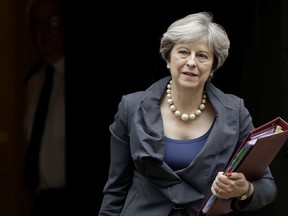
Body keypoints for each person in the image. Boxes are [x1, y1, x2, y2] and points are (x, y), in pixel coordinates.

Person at [98, 12, 277, 216]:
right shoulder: (131, 107)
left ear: (212, 67)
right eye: (183, 52)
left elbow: (267, 187)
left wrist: (244, 189)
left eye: (202, 56)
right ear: (168, 58)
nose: (191, 62)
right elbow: (115, 189)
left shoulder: (235, 112)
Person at [23, 0, 66, 215]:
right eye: (38, 24)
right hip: (43, 201)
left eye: (54, 21)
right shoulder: (35, 81)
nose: (45, 32)